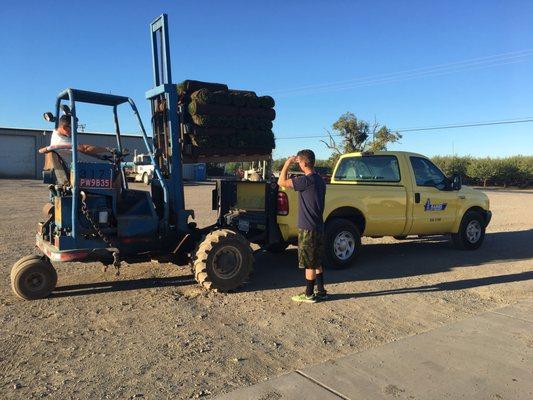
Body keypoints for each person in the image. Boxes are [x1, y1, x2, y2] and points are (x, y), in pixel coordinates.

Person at [278, 149, 327, 303]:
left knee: (309, 263)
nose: (298, 164)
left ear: (305, 163)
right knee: (317, 260)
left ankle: (308, 294)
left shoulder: (305, 181)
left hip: (308, 227)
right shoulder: (319, 180)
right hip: (318, 225)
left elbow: (281, 182)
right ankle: (321, 291)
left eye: (299, 162)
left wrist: (287, 163)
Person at [39, 115, 108, 156]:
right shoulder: (62, 142)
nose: (75, 131)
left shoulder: (57, 133)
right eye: (74, 128)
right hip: (72, 173)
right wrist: (108, 149)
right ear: (64, 128)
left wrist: (99, 156)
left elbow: (83, 150)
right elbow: (85, 148)